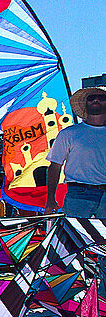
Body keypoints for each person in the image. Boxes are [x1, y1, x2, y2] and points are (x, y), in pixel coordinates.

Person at [46, 84, 106, 218]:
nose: (95, 100)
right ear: (85, 104)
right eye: (91, 98)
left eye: (101, 97)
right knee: (75, 237)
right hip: (78, 194)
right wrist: (50, 199)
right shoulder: (69, 134)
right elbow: (54, 166)